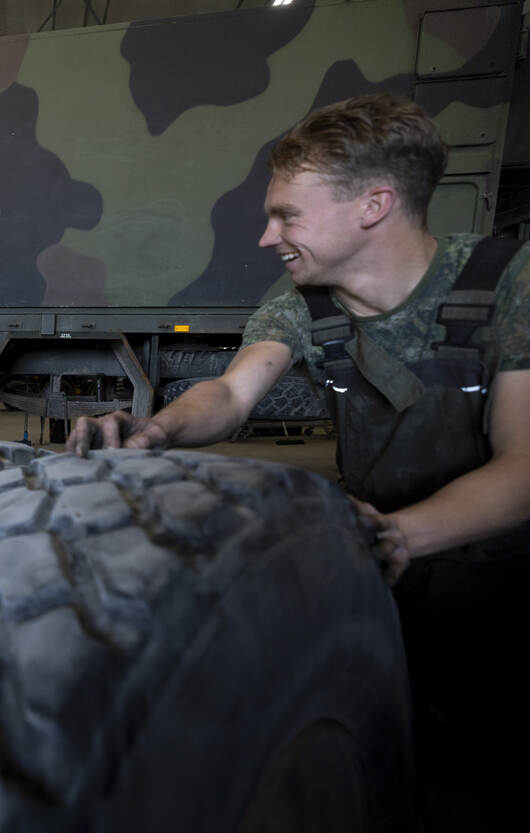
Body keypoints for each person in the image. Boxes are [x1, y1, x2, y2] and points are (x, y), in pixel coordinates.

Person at [68, 93, 530, 831]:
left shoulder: (507, 280)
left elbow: (524, 465)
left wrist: (403, 534)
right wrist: (154, 431)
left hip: (498, 581)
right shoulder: (303, 301)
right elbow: (228, 393)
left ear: (373, 205)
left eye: (287, 215)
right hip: (384, 561)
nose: (265, 237)